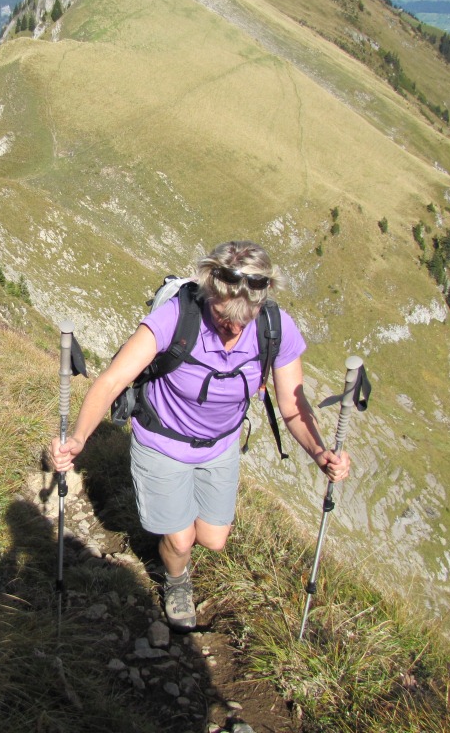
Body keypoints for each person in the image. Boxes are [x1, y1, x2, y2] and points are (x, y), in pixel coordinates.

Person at [48, 241, 351, 631]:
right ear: (209, 293)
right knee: (180, 541)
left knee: (214, 539)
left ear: (261, 302)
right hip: (162, 442)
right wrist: (77, 439)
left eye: (244, 319)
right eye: (224, 316)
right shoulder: (176, 317)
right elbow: (111, 382)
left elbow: (293, 403)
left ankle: (178, 544)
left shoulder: (275, 327)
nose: (233, 329)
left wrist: (320, 452)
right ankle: (176, 580)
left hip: (220, 447)